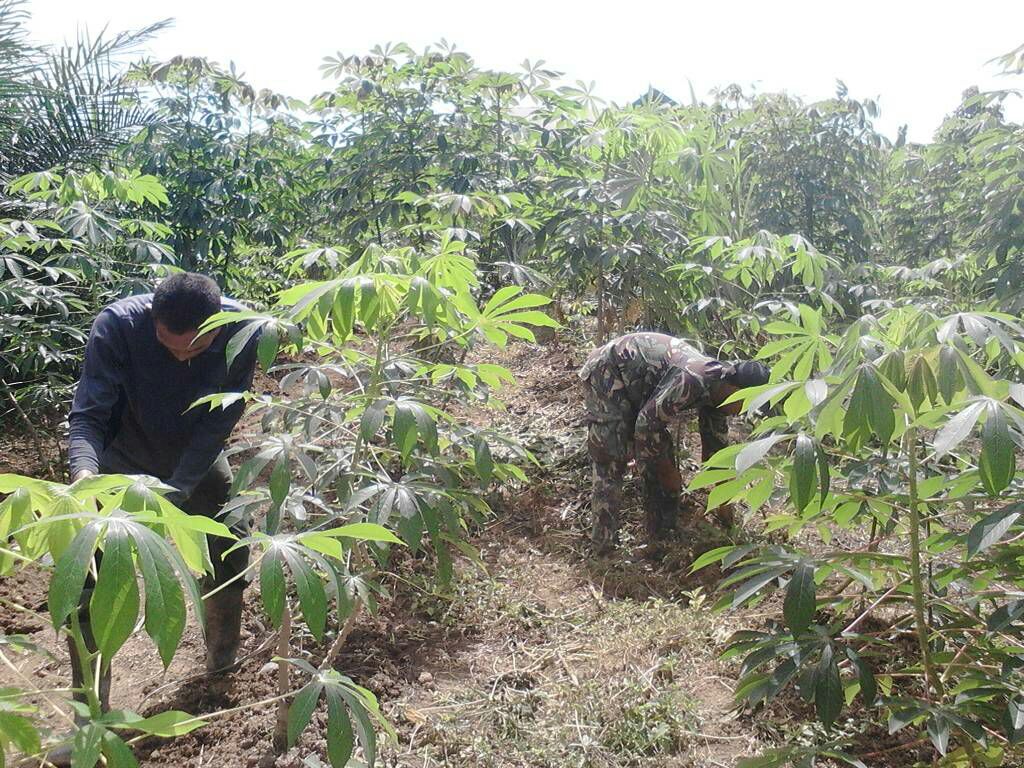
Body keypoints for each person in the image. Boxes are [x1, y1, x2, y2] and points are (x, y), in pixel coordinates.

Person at [66, 272, 259, 712]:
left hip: (196, 457)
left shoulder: (244, 331)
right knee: (88, 587)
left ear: (215, 328)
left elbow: (219, 422)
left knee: (229, 545)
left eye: (194, 348)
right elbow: (89, 413)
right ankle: (91, 715)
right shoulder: (116, 326)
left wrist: (176, 492)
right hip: (119, 462)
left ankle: (220, 669)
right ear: (153, 319)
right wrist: (84, 473)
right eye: (169, 344)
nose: (181, 356)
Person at [579, 332, 769, 554]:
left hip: (640, 391)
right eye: (746, 403)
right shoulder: (693, 378)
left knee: (661, 459)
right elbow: (645, 425)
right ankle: (603, 551)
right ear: (734, 389)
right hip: (608, 369)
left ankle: (660, 539)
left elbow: (716, 455)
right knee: (612, 458)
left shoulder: (719, 396)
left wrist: (725, 509)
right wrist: (668, 473)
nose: (743, 412)